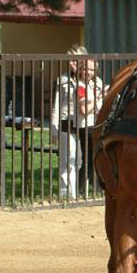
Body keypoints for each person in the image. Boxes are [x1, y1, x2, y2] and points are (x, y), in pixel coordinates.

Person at [50, 45, 104, 200]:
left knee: (82, 159)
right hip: (67, 123)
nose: (72, 63)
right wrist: (54, 128)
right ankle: (66, 194)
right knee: (68, 160)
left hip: (86, 124)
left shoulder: (95, 81)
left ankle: (82, 191)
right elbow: (57, 106)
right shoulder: (64, 80)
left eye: (75, 60)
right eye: (70, 60)